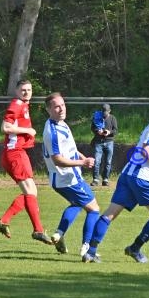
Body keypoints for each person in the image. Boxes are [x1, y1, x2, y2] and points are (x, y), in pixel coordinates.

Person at [81, 94, 149, 263]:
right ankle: (134, 249)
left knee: (110, 214)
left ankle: (90, 252)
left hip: (128, 175)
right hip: (141, 178)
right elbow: (145, 150)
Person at [41, 92, 101, 256]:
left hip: (62, 179)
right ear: (49, 110)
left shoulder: (60, 123)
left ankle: (58, 234)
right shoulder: (52, 132)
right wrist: (83, 162)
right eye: (56, 107)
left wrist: (82, 157)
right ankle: (86, 248)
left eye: (63, 105)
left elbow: (70, 149)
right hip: (68, 179)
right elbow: (58, 160)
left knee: (77, 204)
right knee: (94, 209)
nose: (61, 109)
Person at [0, 79, 52, 244]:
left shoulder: (23, 105)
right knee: (30, 192)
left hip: (17, 153)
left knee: (31, 192)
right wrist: (28, 130)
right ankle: (38, 230)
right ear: (17, 91)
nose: (27, 92)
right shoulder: (17, 104)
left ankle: (4, 221)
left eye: (29, 89)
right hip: (15, 153)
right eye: (23, 90)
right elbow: (5, 127)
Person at [90, 103, 118, 186]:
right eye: (103, 111)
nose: (104, 113)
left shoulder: (113, 118)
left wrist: (109, 132)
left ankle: (105, 179)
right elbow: (92, 128)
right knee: (97, 161)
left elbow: (115, 130)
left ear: (109, 111)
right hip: (98, 142)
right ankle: (95, 179)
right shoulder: (97, 117)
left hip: (109, 142)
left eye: (106, 111)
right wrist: (97, 131)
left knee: (108, 162)